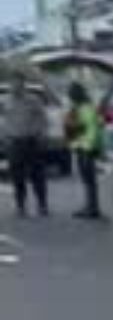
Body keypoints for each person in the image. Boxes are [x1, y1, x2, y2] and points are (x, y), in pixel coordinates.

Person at [4, 74, 50, 217]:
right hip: (14, 143)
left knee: (37, 176)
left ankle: (42, 205)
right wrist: (5, 137)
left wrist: (41, 134)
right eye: (12, 84)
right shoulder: (6, 101)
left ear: (23, 84)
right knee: (17, 177)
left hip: (31, 141)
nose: (15, 86)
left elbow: (43, 118)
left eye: (17, 83)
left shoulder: (33, 100)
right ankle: (20, 206)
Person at [65, 82, 103, 219]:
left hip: (87, 148)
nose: (69, 96)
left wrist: (89, 148)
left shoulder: (86, 108)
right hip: (81, 146)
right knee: (86, 179)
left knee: (89, 179)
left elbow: (93, 129)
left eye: (71, 93)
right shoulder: (78, 107)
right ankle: (89, 206)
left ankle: (92, 208)